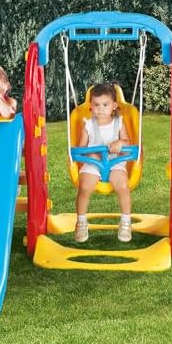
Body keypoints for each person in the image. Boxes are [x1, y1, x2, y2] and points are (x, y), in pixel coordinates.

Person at [74, 82, 134, 244]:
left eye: (105, 105)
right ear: (91, 106)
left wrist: (120, 142)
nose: (100, 108)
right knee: (84, 187)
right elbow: (80, 149)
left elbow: (128, 142)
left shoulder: (119, 122)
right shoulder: (88, 125)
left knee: (123, 186)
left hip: (115, 162)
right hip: (93, 163)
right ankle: (81, 222)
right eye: (96, 104)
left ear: (114, 106)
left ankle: (126, 222)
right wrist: (91, 154)